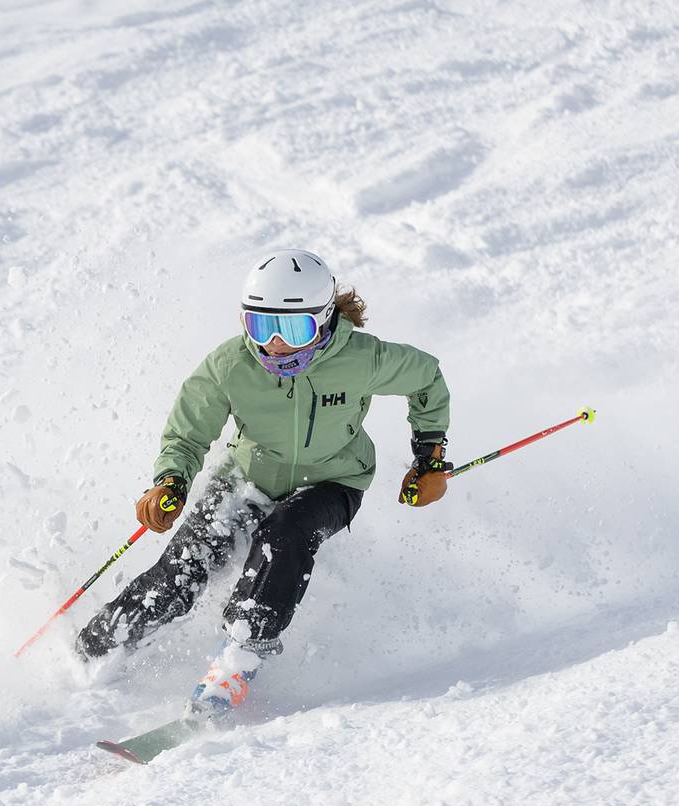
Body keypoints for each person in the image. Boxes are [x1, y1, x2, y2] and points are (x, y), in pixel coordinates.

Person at [74, 249, 453, 716]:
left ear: (324, 318)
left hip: (334, 480)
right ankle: (93, 649)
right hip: (246, 479)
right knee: (184, 568)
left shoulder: (363, 358)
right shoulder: (231, 365)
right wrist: (171, 480)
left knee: (287, 533)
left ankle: (239, 657)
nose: (274, 345)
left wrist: (429, 458)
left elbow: (427, 378)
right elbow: (188, 431)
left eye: (293, 330)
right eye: (259, 327)